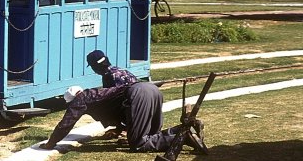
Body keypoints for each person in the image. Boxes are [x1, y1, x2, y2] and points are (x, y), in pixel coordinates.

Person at [40, 50, 206, 153]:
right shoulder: (99, 89)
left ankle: (183, 137)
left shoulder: (82, 99)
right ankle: (183, 130)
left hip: (139, 95)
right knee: (151, 136)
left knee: (139, 144)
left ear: (73, 100)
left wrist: (51, 143)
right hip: (152, 90)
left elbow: (65, 124)